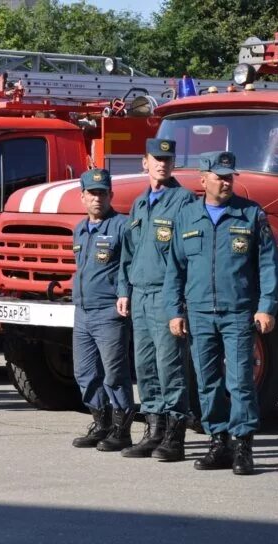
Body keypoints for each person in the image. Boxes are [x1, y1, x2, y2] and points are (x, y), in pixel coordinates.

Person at [165, 151, 278, 475]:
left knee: (241, 381)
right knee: (207, 382)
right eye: (219, 176)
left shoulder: (251, 215)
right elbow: (175, 269)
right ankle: (219, 443)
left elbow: (269, 266)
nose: (226, 182)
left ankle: (243, 446)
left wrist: (267, 306)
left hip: (238, 312)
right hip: (199, 313)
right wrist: (175, 311)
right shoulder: (187, 218)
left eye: (230, 176)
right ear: (203, 180)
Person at [117, 138, 195, 462]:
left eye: (168, 158)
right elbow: (128, 252)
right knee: (146, 367)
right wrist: (124, 290)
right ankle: (153, 431)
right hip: (141, 295)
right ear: (144, 162)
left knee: (170, 366)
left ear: (173, 163)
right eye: (156, 158)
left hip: (166, 295)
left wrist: (181, 302)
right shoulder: (139, 204)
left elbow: (190, 255)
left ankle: (174, 437)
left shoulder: (184, 201)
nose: (162, 163)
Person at [70, 169, 135, 451]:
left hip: (109, 312)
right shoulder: (80, 229)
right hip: (82, 311)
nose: (97, 198)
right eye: (92, 193)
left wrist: (124, 294)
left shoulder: (122, 226)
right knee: (84, 372)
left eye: (102, 193)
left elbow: (128, 265)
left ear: (111, 195)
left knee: (114, 374)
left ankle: (122, 430)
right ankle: (101, 423)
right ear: (82, 196)